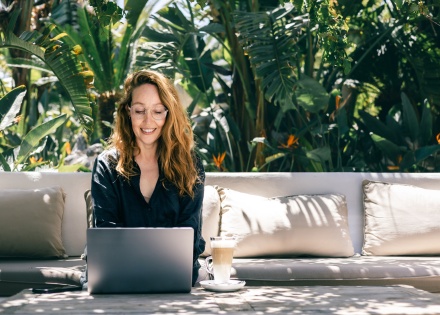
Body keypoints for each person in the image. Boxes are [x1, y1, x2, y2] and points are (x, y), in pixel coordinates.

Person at [90, 69, 206, 286]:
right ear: (128, 112)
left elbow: (190, 235)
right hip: (118, 275)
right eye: (140, 110)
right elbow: (105, 231)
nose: (148, 121)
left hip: (176, 276)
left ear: (169, 114)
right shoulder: (106, 165)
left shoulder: (190, 165)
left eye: (158, 111)